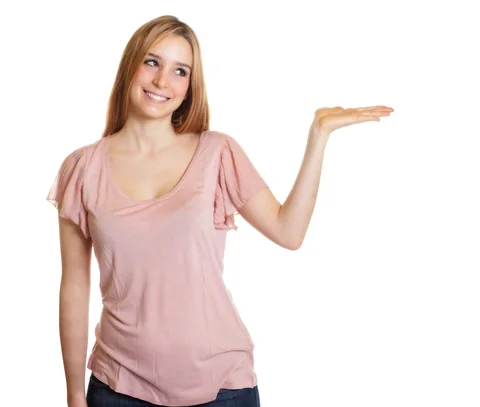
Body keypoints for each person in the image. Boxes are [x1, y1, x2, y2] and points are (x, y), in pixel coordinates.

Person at [47, 14, 393, 407]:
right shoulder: (82, 168)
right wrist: (75, 394)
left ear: (190, 86)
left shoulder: (217, 153)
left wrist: (319, 136)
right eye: (152, 62)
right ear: (131, 65)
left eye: (180, 71)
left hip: (222, 389)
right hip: (118, 387)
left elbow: (288, 232)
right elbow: (74, 286)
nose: (163, 81)